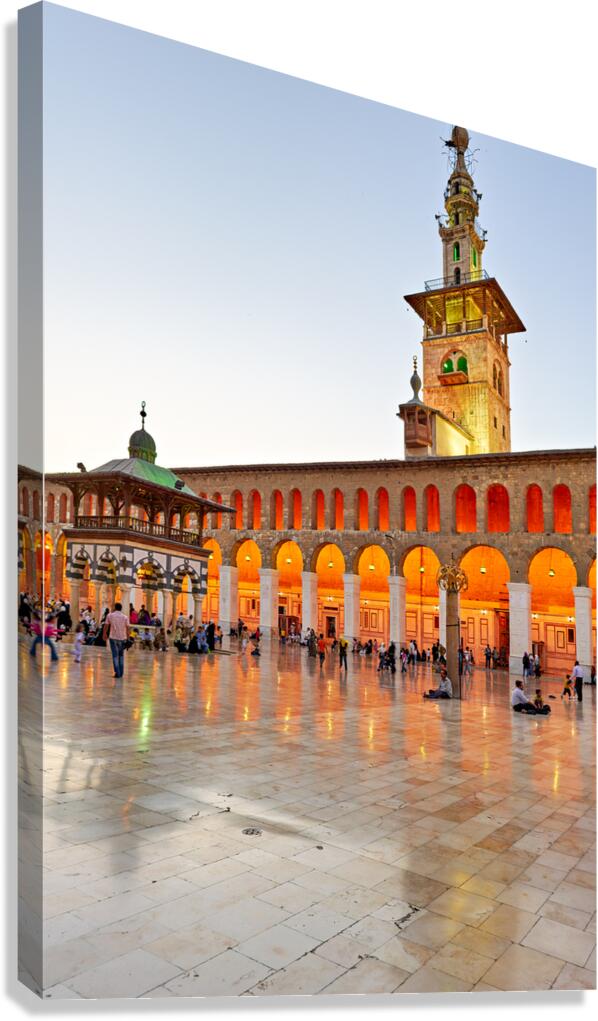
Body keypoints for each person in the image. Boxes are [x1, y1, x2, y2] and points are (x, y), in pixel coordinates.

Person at [103, 601, 130, 679]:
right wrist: (128, 638)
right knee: (121, 655)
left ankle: (117, 672)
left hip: (113, 637)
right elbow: (128, 628)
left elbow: (106, 626)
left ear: (115, 607)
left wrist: (104, 634)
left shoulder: (110, 615)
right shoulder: (125, 617)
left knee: (115, 655)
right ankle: (121, 673)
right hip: (122, 638)